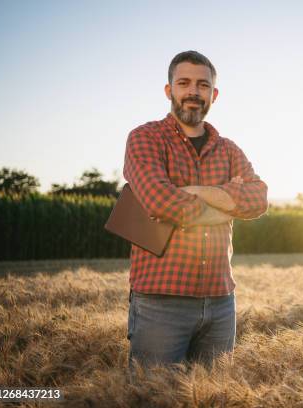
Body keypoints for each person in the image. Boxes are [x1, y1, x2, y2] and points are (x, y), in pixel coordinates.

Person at [122, 50, 268, 374]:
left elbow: (259, 199)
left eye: (203, 85)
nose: (193, 92)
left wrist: (195, 193)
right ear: (168, 90)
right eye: (184, 83)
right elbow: (160, 201)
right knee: (153, 398)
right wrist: (229, 202)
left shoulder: (229, 149)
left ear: (214, 94)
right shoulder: (145, 138)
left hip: (221, 302)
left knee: (215, 397)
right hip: (161, 302)